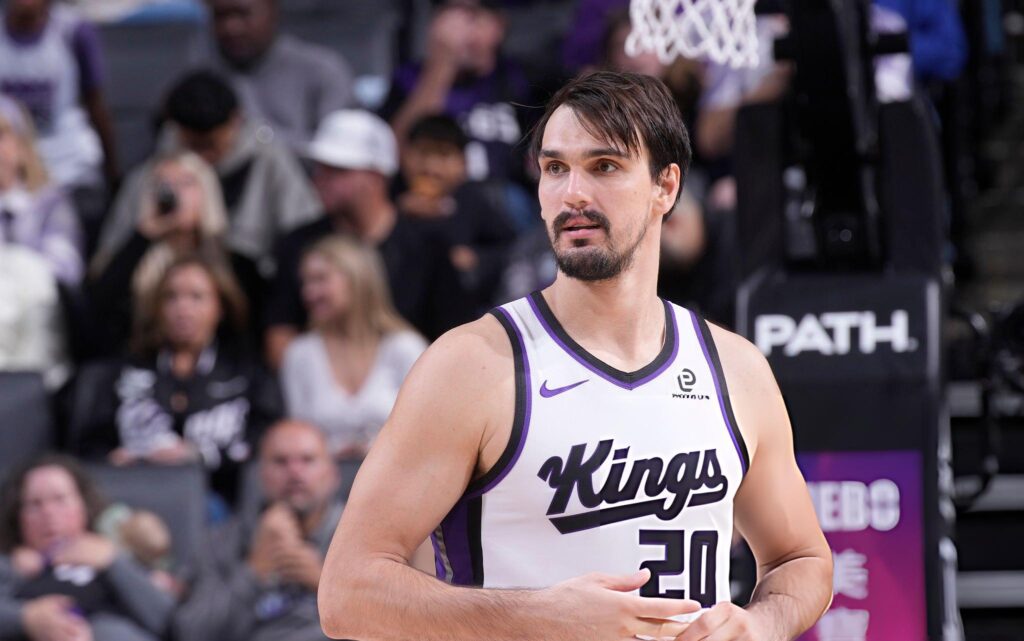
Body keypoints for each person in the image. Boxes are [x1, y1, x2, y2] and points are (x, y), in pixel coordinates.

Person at [318, 71, 832, 641]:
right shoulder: (475, 365)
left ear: (666, 186)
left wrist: (760, 626)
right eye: (556, 168)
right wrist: (541, 617)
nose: (573, 195)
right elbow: (348, 592)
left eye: (604, 167)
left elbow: (801, 561)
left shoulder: (736, 369)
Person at [75, 254, 282, 511]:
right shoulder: (125, 372)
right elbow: (89, 446)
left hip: (219, 502)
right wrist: (114, 460)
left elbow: (266, 443)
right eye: (171, 297)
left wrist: (196, 455)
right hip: (132, 501)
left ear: (220, 307)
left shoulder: (247, 374)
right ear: (157, 308)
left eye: (196, 297)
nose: (182, 308)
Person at [264, 109, 471, 368]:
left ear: (376, 176)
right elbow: (279, 337)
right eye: (320, 168)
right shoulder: (297, 243)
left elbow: (453, 339)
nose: (320, 179)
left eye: (338, 170)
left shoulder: (428, 247)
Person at [97, 70, 319, 268]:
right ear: (175, 129)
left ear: (236, 121)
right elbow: (108, 260)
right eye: (193, 146)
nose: (202, 158)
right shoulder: (152, 173)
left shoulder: (270, 162)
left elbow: (308, 238)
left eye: (211, 145)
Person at [173, 420, 344, 641]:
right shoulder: (223, 541)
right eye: (280, 462)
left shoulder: (363, 538)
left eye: (307, 460)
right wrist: (254, 571)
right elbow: (190, 632)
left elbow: (394, 625)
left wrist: (323, 585)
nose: (294, 472)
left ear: (333, 473)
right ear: (260, 474)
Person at [88, 150, 264, 355]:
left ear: (207, 191)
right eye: (163, 184)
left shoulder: (236, 263)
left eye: (186, 183)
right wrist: (143, 235)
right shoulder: (135, 258)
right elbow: (97, 307)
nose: (174, 193)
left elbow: (245, 327)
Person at [0, 454, 174, 641]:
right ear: (17, 517)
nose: (48, 513)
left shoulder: (118, 554)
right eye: (35, 504)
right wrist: (26, 617)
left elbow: (171, 621)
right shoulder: (11, 565)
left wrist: (114, 562)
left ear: (83, 505)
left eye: (60, 499)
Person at [281, 237, 427, 459]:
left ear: (358, 280)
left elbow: (428, 429)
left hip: (399, 478)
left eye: (320, 280)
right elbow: (297, 439)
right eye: (306, 283)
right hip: (323, 488)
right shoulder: (300, 354)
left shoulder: (405, 347)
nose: (309, 293)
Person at [382, 0, 534, 183]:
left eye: (471, 16)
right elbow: (396, 153)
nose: (458, 29)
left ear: (498, 25)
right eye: (449, 13)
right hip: (438, 199)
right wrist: (442, 63)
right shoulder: (410, 78)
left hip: (508, 199)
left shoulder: (519, 78)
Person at [398, 114, 521, 309]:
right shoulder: (390, 198)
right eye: (422, 153)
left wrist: (476, 258)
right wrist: (398, 213)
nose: (431, 167)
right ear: (404, 156)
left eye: (444, 154)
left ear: (463, 164)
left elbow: (512, 249)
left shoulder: (472, 200)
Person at [205, 0, 357, 150]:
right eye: (220, 16)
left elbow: (340, 152)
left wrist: (258, 139)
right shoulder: (206, 77)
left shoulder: (323, 71)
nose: (231, 27)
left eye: (243, 13)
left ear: (273, 10)